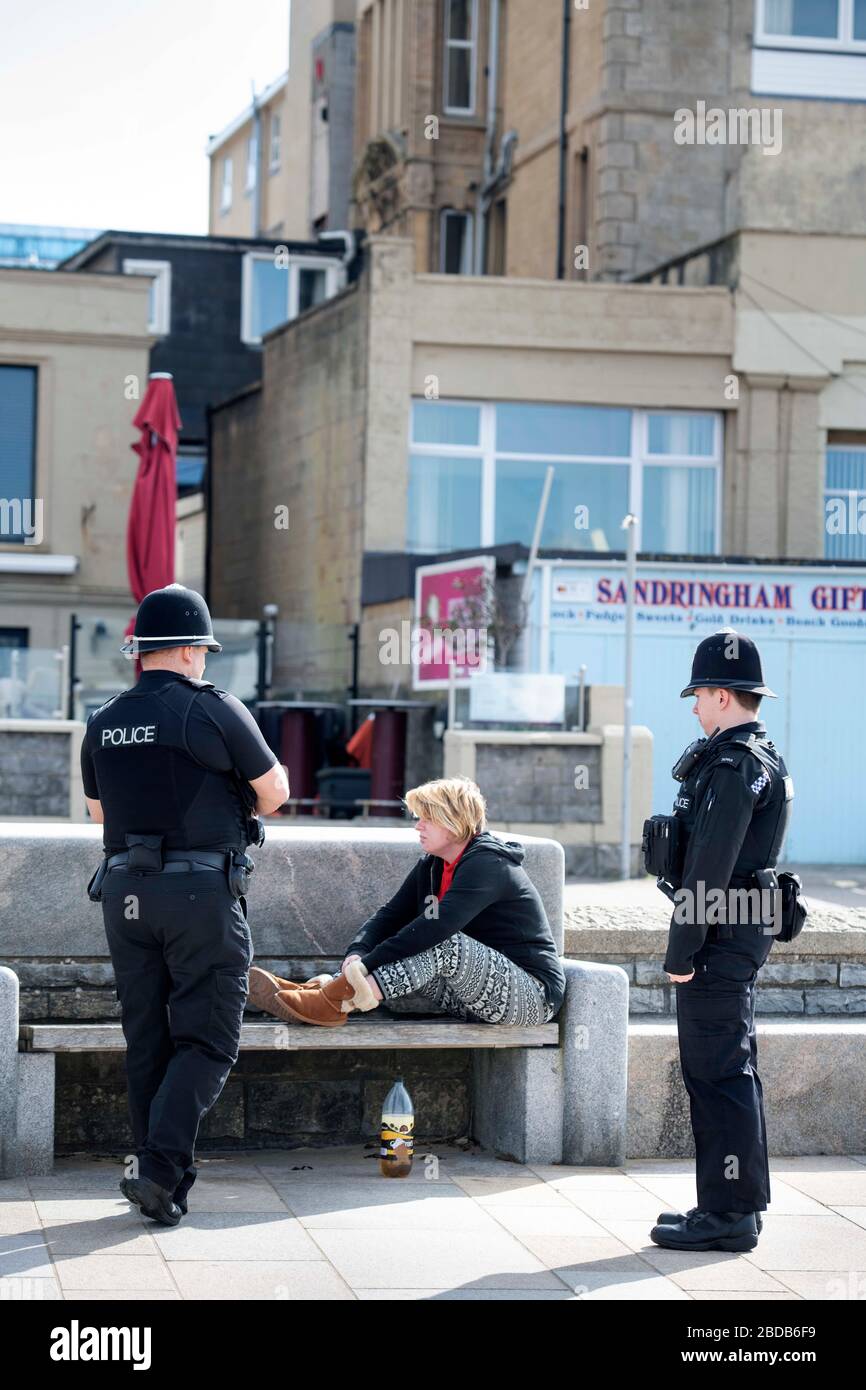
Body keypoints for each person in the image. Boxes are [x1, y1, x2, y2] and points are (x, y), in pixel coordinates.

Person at [80, 584, 288, 1226]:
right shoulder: (215, 709)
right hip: (199, 896)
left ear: (142, 650)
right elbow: (275, 792)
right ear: (194, 650)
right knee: (207, 1039)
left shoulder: (103, 718)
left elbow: (99, 814)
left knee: (146, 1039)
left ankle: (157, 1183)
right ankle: (160, 1169)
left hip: (126, 895)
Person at [647, 629, 794, 1254]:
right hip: (737, 929)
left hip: (718, 936)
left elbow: (708, 867)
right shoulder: (760, 757)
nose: (694, 707)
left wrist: (681, 954)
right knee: (730, 1068)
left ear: (723, 696)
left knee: (717, 1073)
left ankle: (729, 1215)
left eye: (699, 694)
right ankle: (734, 1205)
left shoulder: (734, 766)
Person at [248, 775, 566, 1028]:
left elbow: (435, 927)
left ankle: (334, 998)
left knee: (444, 944)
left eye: (427, 817)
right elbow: (390, 915)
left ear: (454, 820)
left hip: (531, 998)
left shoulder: (488, 865)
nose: (418, 825)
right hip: (469, 1000)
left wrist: (366, 966)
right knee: (407, 965)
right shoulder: (433, 864)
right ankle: (327, 993)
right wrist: (357, 953)